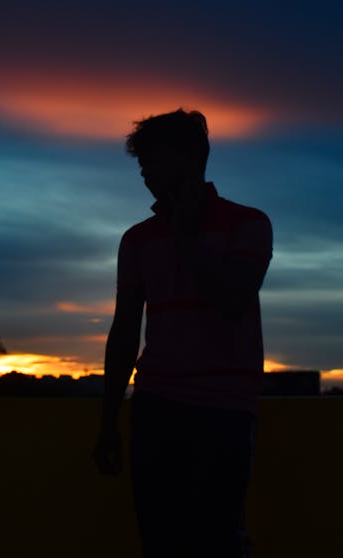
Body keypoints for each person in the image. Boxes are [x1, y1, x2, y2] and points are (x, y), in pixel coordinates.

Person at [92, 108, 273, 558]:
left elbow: (232, 300)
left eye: (153, 161)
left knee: (219, 540)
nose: (145, 174)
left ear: (190, 159)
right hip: (156, 407)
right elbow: (124, 332)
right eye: (142, 164)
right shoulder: (137, 240)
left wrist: (187, 237)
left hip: (223, 410)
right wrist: (109, 421)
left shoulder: (248, 224)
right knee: (159, 540)